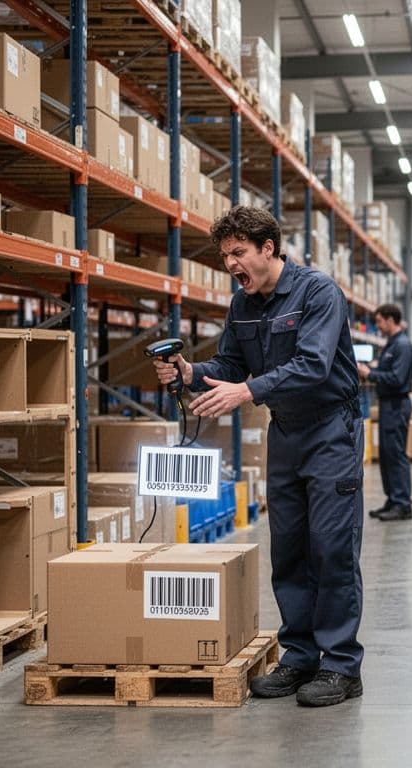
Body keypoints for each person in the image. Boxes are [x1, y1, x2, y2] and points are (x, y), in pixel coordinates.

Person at [152, 206, 365, 706]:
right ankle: (300, 656)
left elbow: (313, 365)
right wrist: (189, 372)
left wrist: (246, 391)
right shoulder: (241, 304)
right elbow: (230, 364)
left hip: (331, 430)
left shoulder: (318, 293)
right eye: (225, 255)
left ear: (268, 248)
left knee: (330, 547)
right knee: (288, 548)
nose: (231, 264)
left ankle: (341, 666)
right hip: (285, 431)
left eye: (239, 252)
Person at [358, 304, 412, 522]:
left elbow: (397, 378)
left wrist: (370, 374)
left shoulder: (403, 345)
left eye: (380, 321)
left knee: (396, 454)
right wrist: (370, 371)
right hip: (388, 405)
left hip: (397, 405)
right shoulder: (392, 344)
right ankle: (393, 499)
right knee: (387, 454)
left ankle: (403, 504)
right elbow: (386, 372)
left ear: (391, 320)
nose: (378, 326)